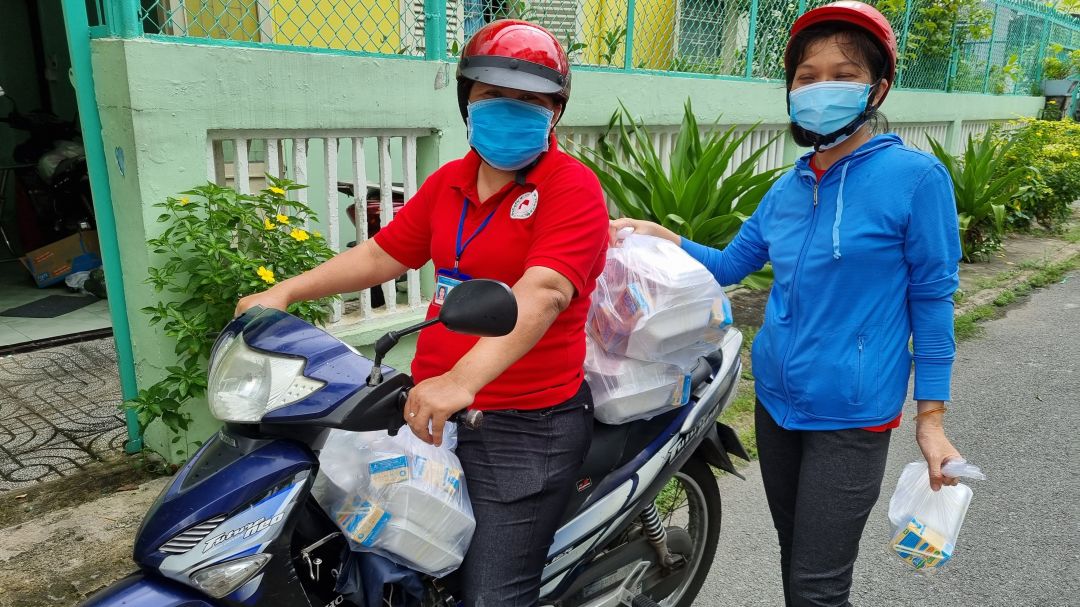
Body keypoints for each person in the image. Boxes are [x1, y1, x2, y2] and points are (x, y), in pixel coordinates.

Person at [235, 20, 609, 606]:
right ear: (467, 102)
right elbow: (382, 254)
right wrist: (285, 292)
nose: (509, 108)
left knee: (490, 596)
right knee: (376, 556)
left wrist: (461, 380)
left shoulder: (571, 187)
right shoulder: (449, 182)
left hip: (525, 423)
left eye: (529, 99)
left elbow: (544, 293)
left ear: (555, 111)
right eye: (493, 94)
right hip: (430, 405)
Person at [611, 3, 965, 605]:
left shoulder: (916, 179)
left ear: (877, 89)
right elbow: (731, 264)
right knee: (794, 554)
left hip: (852, 413)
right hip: (776, 403)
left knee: (818, 585)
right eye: (807, 76)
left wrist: (930, 421)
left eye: (843, 75)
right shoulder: (788, 187)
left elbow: (933, 300)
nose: (821, 88)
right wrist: (662, 236)